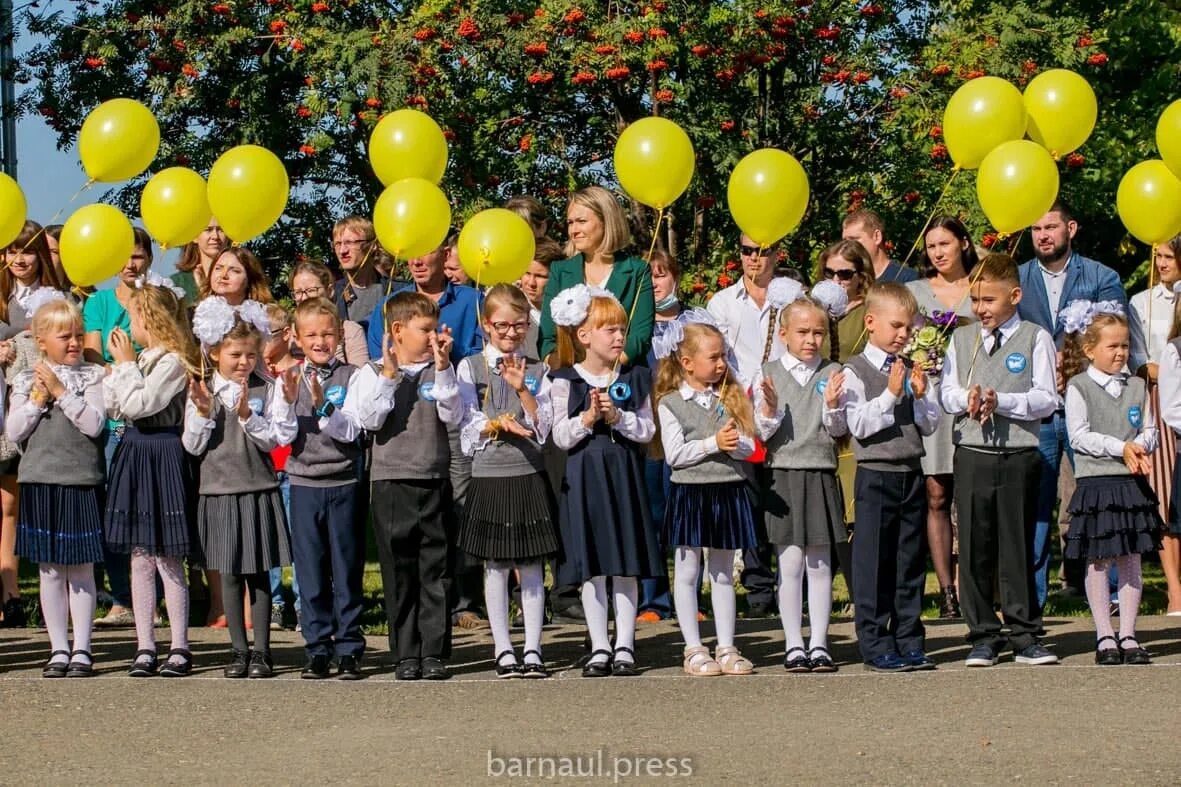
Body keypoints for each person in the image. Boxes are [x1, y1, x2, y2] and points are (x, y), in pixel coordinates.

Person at [941, 254, 1060, 667]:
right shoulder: (961, 339)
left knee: (1016, 543)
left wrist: (1002, 400)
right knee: (974, 544)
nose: (981, 309)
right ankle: (982, 635)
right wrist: (968, 397)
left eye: (989, 300)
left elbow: (1047, 398)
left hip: (1018, 455)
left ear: (1015, 295)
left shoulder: (1034, 337)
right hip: (972, 453)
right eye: (975, 300)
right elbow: (947, 392)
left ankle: (1025, 633)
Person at [365, 243, 485, 628]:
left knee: (460, 506)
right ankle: (417, 612)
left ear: (444, 253)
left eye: (426, 251)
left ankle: (465, 601)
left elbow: (482, 352)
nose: (417, 260)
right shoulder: (393, 303)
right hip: (407, 415)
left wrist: (445, 357)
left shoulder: (469, 298)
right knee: (418, 520)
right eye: (411, 252)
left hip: (453, 402)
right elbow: (377, 351)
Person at [1017, 201, 1128, 607]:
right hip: (1038, 414)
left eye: (1050, 227)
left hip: (1090, 410)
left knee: (1100, 498)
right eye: (1035, 229)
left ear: (1071, 228)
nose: (1042, 235)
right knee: (1036, 507)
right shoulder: (1017, 278)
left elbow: (1116, 339)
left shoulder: (1102, 276)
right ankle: (1031, 600)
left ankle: (1112, 592)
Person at [350, 292, 463, 680]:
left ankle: (433, 650)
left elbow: (454, 414)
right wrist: (389, 378)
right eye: (426, 329)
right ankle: (404, 652)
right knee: (400, 568)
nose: (435, 337)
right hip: (391, 481)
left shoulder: (443, 370)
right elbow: (370, 420)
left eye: (435, 329)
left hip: (433, 478)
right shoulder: (372, 372)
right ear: (397, 330)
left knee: (436, 566)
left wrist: (445, 368)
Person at [549, 286, 661, 677]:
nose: (618, 337)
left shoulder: (635, 377)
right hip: (583, 478)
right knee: (593, 564)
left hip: (623, 474)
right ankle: (599, 645)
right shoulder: (565, 379)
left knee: (625, 562)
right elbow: (559, 436)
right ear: (584, 336)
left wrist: (618, 418)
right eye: (609, 330)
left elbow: (647, 430)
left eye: (621, 330)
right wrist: (588, 419)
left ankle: (626, 645)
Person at [185, 299, 298, 678]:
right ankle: (238, 650)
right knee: (229, 573)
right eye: (235, 354)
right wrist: (202, 413)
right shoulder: (205, 392)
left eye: (251, 354)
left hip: (257, 488)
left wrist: (250, 418)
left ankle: (263, 651)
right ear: (215, 352)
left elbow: (278, 438)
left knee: (259, 573)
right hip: (218, 491)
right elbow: (192, 446)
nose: (243, 362)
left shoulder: (268, 388)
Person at [455, 285, 559, 678]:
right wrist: (496, 423)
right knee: (495, 564)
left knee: (531, 563)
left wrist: (521, 390)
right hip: (489, 474)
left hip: (527, 472)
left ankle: (533, 647)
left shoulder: (538, 369)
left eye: (519, 325)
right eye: (502, 326)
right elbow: (465, 422)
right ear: (486, 326)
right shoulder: (471, 366)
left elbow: (543, 426)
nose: (511, 333)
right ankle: (503, 648)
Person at [102, 279, 200, 677]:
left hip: (162, 452)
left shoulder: (174, 362)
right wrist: (121, 370)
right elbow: (115, 405)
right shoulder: (141, 361)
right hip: (134, 451)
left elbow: (143, 404)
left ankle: (179, 644)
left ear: (149, 319)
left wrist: (124, 367)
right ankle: (145, 644)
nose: (130, 327)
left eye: (134, 318)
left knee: (166, 554)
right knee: (139, 554)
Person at [7, 294, 105, 676]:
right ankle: (58, 648)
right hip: (40, 479)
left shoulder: (92, 376)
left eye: (78, 334)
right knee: (49, 569)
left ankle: (82, 647)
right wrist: (37, 399)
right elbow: (15, 431)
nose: (75, 342)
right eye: (65, 336)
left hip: (79, 479)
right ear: (41, 341)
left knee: (80, 567)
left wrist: (62, 394)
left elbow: (95, 425)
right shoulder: (26, 379)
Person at [841, 282, 937, 672]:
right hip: (876, 474)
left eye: (909, 328)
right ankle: (875, 642)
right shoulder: (855, 370)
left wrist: (922, 395)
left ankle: (909, 638)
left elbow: (928, 427)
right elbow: (859, 425)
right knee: (873, 563)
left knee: (909, 562)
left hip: (910, 472)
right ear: (871, 322)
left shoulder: (911, 367)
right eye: (897, 326)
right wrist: (890, 395)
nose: (903, 334)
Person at [654, 316, 758, 677]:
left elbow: (749, 447)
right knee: (687, 570)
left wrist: (735, 445)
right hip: (691, 492)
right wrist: (714, 443)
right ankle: (693, 647)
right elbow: (675, 455)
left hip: (728, 488)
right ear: (687, 362)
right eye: (713, 357)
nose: (720, 364)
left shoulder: (729, 396)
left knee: (724, 572)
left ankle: (727, 645)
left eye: (722, 356)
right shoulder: (670, 403)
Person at [1061, 302, 1161, 665]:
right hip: (1097, 483)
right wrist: (1123, 446)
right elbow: (1080, 436)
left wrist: (1142, 444)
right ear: (1090, 350)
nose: (1120, 353)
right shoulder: (1079, 387)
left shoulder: (1136, 386)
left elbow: (1149, 428)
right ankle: (1104, 633)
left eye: (1124, 345)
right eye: (1112, 346)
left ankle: (1129, 633)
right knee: (1099, 560)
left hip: (1130, 484)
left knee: (1131, 557)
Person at [754, 296, 848, 673]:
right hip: (784, 473)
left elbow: (839, 431)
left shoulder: (835, 370)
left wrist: (832, 404)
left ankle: (820, 643)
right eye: (802, 332)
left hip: (821, 471)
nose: (811, 339)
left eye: (818, 332)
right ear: (783, 334)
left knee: (821, 564)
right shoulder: (768, 370)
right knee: (789, 563)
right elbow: (761, 433)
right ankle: (794, 644)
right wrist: (771, 410)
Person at [706, 234, 791, 618]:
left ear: (777, 253)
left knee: (786, 497)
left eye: (763, 251)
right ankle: (759, 589)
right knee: (751, 498)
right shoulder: (722, 302)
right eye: (746, 251)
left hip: (787, 408)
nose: (754, 259)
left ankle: (792, 586)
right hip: (741, 410)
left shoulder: (792, 294)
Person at [283, 297, 367, 679]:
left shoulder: (352, 376)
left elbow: (354, 431)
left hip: (344, 480)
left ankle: (349, 645)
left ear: (340, 336)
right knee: (311, 571)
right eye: (311, 334)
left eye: (328, 333)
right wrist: (287, 402)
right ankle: (317, 647)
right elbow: (282, 434)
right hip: (303, 483)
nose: (320, 341)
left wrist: (323, 407)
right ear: (297, 338)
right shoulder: (288, 379)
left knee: (345, 568)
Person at [906, 216, 979, 618]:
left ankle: (974, 588)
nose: (938, 253)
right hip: (931, 397)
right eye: (931, 246)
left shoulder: (982, 286)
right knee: (936, 493)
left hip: (972, 399)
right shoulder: (915, 293)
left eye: (945, 244)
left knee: (970, 497)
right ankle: (946, 592)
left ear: (963, 244)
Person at [83, 229, 152, 629]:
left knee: (149, 509)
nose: (131, 264)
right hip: (111, 422)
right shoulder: (99, 302)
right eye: (124, 257)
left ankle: (153, 596)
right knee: (112, 511)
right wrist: (129, 366)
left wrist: (128, 365)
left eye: (139, 256)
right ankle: (122, 598)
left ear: (149, 259)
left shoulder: (159, 300)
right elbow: (93, 355)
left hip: (149, 419)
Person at [0, 220, 67, 627]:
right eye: (12, 251)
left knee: (11, 503)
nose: (19, 259)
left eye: (27, 251)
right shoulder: (0, 295)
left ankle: (13, 596)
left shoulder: (53, 297)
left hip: (32, 405)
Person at [538, 186, 655, 367]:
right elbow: (547, 339)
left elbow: (640, 336)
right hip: (570, 380)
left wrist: (604, 373)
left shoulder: (637, 271)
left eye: (581, 221)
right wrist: (568, 371)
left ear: (606, 221)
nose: (573, 230)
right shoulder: (560, 271)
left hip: (621, 380)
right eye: (570, 222)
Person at [1128, 234, 1181, 613]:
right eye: (1157, 255)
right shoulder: (1141, 301)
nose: (1161, 263)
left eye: (1169, 256)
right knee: (1165, 496)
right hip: (1160, 398)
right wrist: (1155, 368)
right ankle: (1175, 590)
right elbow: (1135, 355)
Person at [638, 249, 682, 623]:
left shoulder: (697, 321)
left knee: (685, 517)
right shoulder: (636, 327)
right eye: (648, 276)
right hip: (649, 433)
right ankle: (654, 600)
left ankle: (690, 600)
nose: (654, 282)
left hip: (688, 431)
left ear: (676, 279)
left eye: (661, 274)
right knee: (651, 518)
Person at [261, 303, 301, 629]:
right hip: (263, 468)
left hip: (291, 465)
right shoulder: (258, 375)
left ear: (286, 335)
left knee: (297, 538)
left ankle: (302, 604)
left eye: (267, 336)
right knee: (269, 541)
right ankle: (274, 603)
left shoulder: (299, 371)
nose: (261, 344)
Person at [289, 261, 370, 366]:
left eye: (311, 290)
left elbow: (360, 377)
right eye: (298, 292)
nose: (304, 297)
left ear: (330, 290)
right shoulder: (289, 335)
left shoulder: (351, 331)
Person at [816, 240, 875, 367]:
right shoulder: (812, 307)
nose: (836, 280)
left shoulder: (870, 311)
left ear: (861, 276)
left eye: (845, 274)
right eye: (829, 273)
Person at [331, 216, 389, 333]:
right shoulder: (331, 296)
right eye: (337, 244)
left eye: (350, 242)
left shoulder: (396, 290)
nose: (342, 251)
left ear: (372, 246)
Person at [841, 208, 918, 284]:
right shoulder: (846, 280)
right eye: (845, 241)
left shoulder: (909, 280)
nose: (846, 246)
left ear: (877, 237)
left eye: (854, 239)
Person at [521, 238, 565, 358]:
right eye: (527, 273)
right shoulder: (511, 305)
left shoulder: (566, 310)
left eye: (540, 276)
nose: (531, 283)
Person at [171, 219, 229, 305]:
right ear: (195, 237)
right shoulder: (177, 283)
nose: (215, 236)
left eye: (221, 230)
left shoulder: (237, 279)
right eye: (208, 230)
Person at [198, 247, 274, 305]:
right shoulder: (193, 315)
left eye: (234, 271)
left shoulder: (266, 319)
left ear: (250, 279)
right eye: (218, 268)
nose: (223, 275)